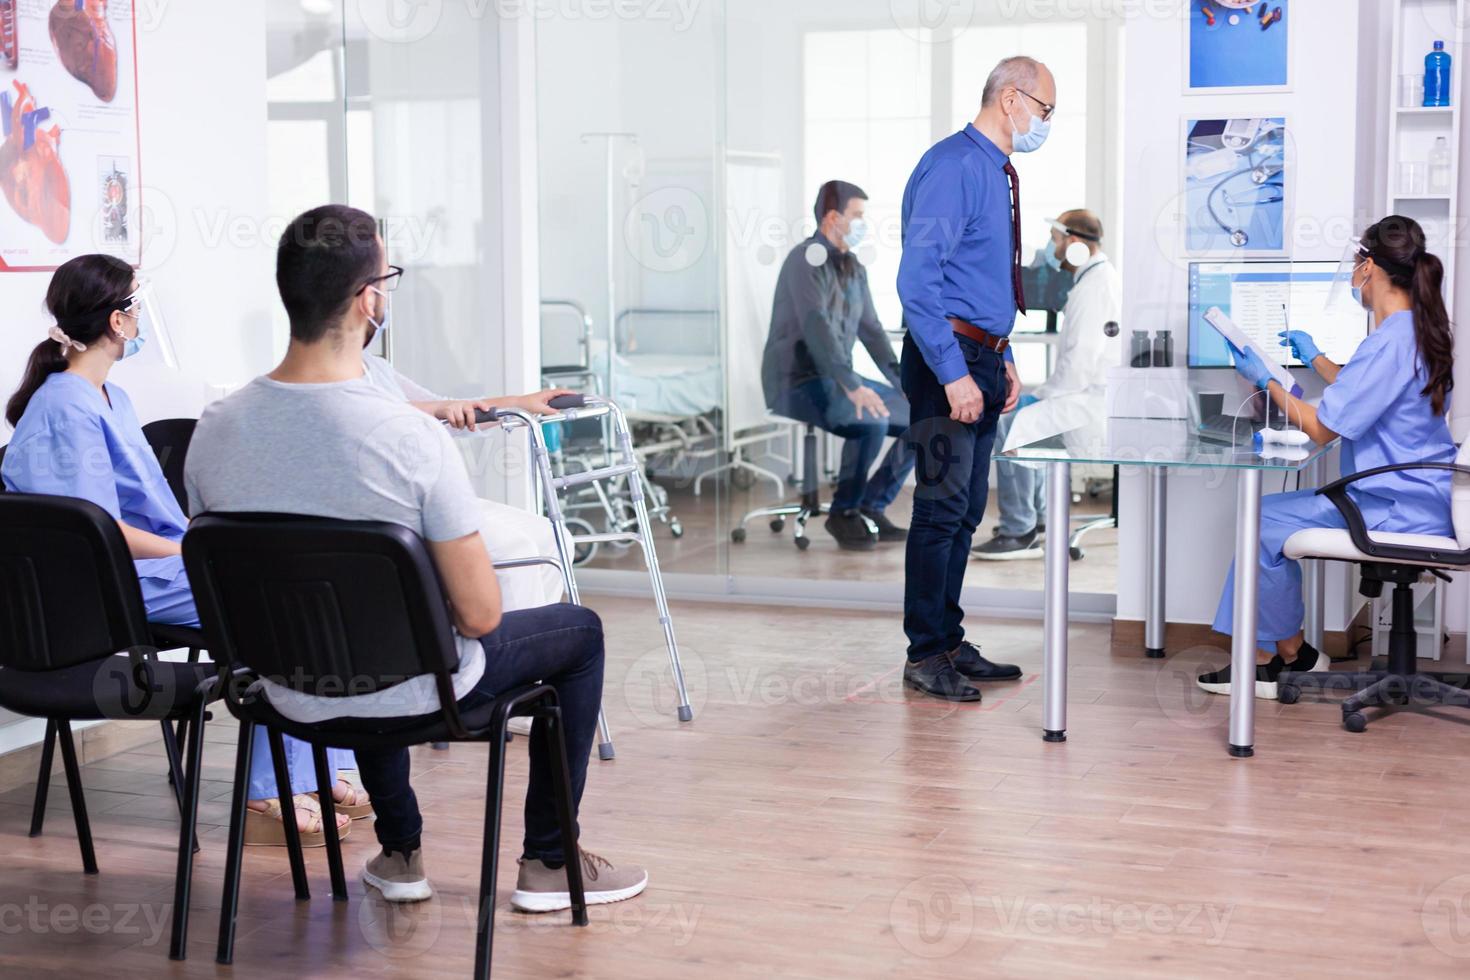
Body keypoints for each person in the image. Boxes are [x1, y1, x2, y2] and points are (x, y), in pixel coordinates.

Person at [186, 204, 647, 908]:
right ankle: (550, 862)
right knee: (578, 631)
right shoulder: (406, 437)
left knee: (355, 625)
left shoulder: (214, 431)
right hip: (413, 693)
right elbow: (481, 614)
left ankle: (400, 852)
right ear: (369, 298)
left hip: (284, 692)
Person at [1, 254, 362, 848]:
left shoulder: (107, 398)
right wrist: (186, 546)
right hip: (113, 588)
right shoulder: (66, 407)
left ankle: (312, 772)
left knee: (294, 596)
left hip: (158, 568)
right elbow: (96, 534)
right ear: (117, 322)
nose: (140, 320)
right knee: (277, 614)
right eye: (135, 309)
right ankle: (271, 789)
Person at [1199, 215, 1456, 700]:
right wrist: (1316, 357)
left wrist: (1266, 381)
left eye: (1357, 263)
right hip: (1420, 496)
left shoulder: (1388, 342)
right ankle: (1291, 654)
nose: (1354, 274)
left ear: (1370, 268)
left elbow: (1321, 428)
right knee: (1267, 516)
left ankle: (1266, 660)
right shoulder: (1413, 331)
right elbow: (1363, 392)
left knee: (1260, 519)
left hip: (1393, 505)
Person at [893, 55, 1054, 701]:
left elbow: (978, 276)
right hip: (945, 364)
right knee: (938, 511)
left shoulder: (995, 170)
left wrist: (1003, 354)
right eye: (1045, 109)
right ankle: (925, 652)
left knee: (961, 514)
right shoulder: (954, 166)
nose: (1045, 123)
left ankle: (949, 640)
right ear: (1011, 99)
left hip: (982, 356)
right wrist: (955, 372)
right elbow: (917, 281)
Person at [761, 180, 916, 550]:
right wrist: (852, 385)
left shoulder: (853, 267)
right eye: (858, 216)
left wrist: (905, 383)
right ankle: (843, 513)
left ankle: (870, 505)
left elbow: (873, 332)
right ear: (833, 217)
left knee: (921, 419)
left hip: (838, 377)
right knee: (871, 419)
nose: (864, 224)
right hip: (796, 380)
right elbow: (817, 327)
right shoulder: (805, 260)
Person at [975, 210, 1122, 559]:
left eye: (1056, 241)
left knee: (1009, 423)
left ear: (1074, 244)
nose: (1051, 249)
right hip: (1086, 396)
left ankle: (1019, 529)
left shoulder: (1094, 287)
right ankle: (1037, 519)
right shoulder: (1094, 280)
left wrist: (1039, 398)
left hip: (1089, 403)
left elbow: (1080, 363)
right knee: (1026, 419)